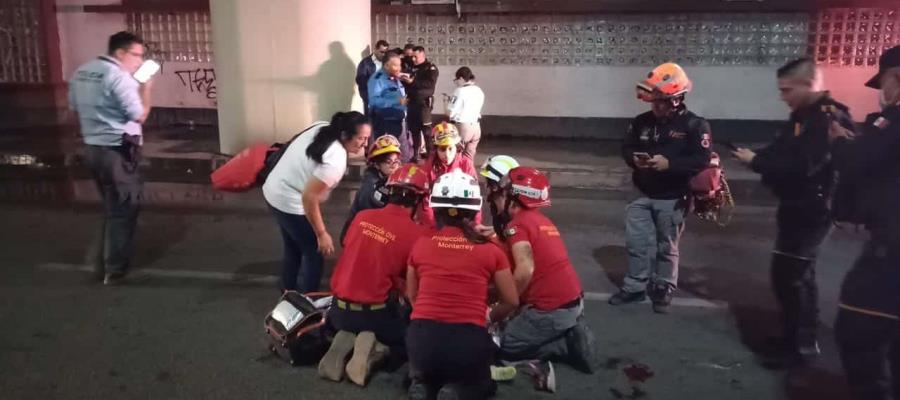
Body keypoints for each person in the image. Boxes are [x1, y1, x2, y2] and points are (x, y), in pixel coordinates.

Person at [732, 58, 856, 359]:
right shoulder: (804, 116)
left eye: (787, 90)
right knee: (797, 274)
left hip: (811, 210)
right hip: (798, 206)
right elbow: (783, 150)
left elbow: (804, 166)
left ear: (808, 83)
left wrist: (756, 161)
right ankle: (796, 339)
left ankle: (798, 346)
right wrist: (756, 156)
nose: (782, 97)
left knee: (791, 276)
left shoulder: (826, 118)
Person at [406, 169, 519, 400]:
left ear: (436, 210)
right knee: (484, 384)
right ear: (475, 210)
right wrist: (489, 316)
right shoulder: (491, 251)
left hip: (421, 341)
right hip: (467, 343)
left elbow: (412, 297)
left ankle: (424, 385)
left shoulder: (420, 245)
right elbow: (511, 300)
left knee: (430, 365)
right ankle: (456, 391)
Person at [609, 63, 712, 313]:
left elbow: (701, 160)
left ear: (677, 100)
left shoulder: (695, 126)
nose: (655, 105)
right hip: (640, 194)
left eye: (661, 101)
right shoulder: (641, 122)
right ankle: (634, 287)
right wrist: (632, 158)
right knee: (636, 244)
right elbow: (626, 146)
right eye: (653, 100)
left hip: (673, 197)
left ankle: (664, 287)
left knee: (667, 246)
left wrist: (670, 164)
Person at [319, 163, 432, 386]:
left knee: (356, 311)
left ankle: (345, 338)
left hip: (338, 311)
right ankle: (377, 349)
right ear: (418, 199)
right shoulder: (417, 234)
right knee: (406, 343)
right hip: (375, 316)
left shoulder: (362, 217)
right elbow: (412, 286)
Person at [829, 45, 900, 400]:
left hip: (892, 258)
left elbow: (859, 161)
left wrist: (840, 143)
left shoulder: (894, 120)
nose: (882, 94)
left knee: (858, 329)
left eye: (884, 82)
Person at [488, 167, 596, 373]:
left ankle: (561, 344)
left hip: (550, 311)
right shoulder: (542, 221)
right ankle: (565, 328)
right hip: (572, 302)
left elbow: (525, 270)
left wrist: (501, 308)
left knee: (501, 345)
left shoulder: (517, 226)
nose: (495, 198)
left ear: (514, 198)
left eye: (501, 193)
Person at [68, 31, 152, 285]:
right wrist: (147, 89)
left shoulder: (82, 71)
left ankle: (101, 258)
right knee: (124, 207)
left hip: (92, 147)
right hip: (117, 149)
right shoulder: (119, 77)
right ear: (120, 53)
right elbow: (140, 115)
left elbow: (73, 106)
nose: (139, 61)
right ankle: (114, 267)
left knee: (111, 203)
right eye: (137, 55)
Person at [262, 112, 371, 292]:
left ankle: (288, 291)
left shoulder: (321, 127)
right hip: (289, 201)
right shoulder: (335, 160)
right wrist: (321, 234)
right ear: (345, 135)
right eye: (361, 138)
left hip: (273, 190)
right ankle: (307, 301)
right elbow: (309, 197)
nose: (364, 144)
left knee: (293, 247)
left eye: (367, 138)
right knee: (315, 253)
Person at [339, 134, 402, 243]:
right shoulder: (370, 186)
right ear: (377, 164)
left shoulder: (388, 178)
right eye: (388, 161)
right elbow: (372, 219)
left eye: (396, 161)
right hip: (359, 236)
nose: (393, 166)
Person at [418, 122, 479, 228]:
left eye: (450, 148)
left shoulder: (466, 165)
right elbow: (424, 201)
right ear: (435, 149)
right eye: (442, 149)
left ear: (457, 147)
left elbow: (475, 199)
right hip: (436, 218)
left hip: (463, 219)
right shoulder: (428, 167)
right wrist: (432, 226)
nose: (447, 154)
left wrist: (474, 225)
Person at [368, 53, 413, 161]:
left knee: (402, 151)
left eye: (400, 65)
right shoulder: (377, 79)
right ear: (387, 65)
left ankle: (402, 173)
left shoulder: (394, 77)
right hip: (385, 121)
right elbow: (374, 101)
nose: (399, 68)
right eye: (396, 65)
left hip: (398, 119)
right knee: (388, 153)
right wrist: (396, 101)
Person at [400, 46, 439, 161]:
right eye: (412, 57)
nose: (413, 59)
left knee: (426, 131)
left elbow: (429, 84)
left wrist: (413, 81)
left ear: (423, 55)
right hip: (411, 102)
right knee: (414, 130)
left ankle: (430, 155)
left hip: (423, 104)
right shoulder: (411, 67)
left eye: (415, 57)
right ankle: (415, 155)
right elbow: (407, 84)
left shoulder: (430, 68)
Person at [448, 67, 486, 159]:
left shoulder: (459, 91)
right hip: (476, 127)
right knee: (469, 157)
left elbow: (450, 113)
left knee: (456, 155)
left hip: (463, 127)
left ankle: (457, 172)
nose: (456, 82)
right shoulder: (478, 90)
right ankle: (469, 172)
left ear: (461, 78)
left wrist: (445, 102)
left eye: (456, 79)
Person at [479, 155, 520, 236]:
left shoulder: (514, 218)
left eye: (486, 180)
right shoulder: (505, 210)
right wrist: (494, 230)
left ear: (494, 187)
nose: (484, 184)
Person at [356, 39, 390, 114]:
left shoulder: (387, 62)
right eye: (381, 52)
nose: (384, 54)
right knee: (371, 122)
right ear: (375, 49)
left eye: (385, 52)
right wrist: (367, 98)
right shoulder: (365, 63)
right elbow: (361, 82)